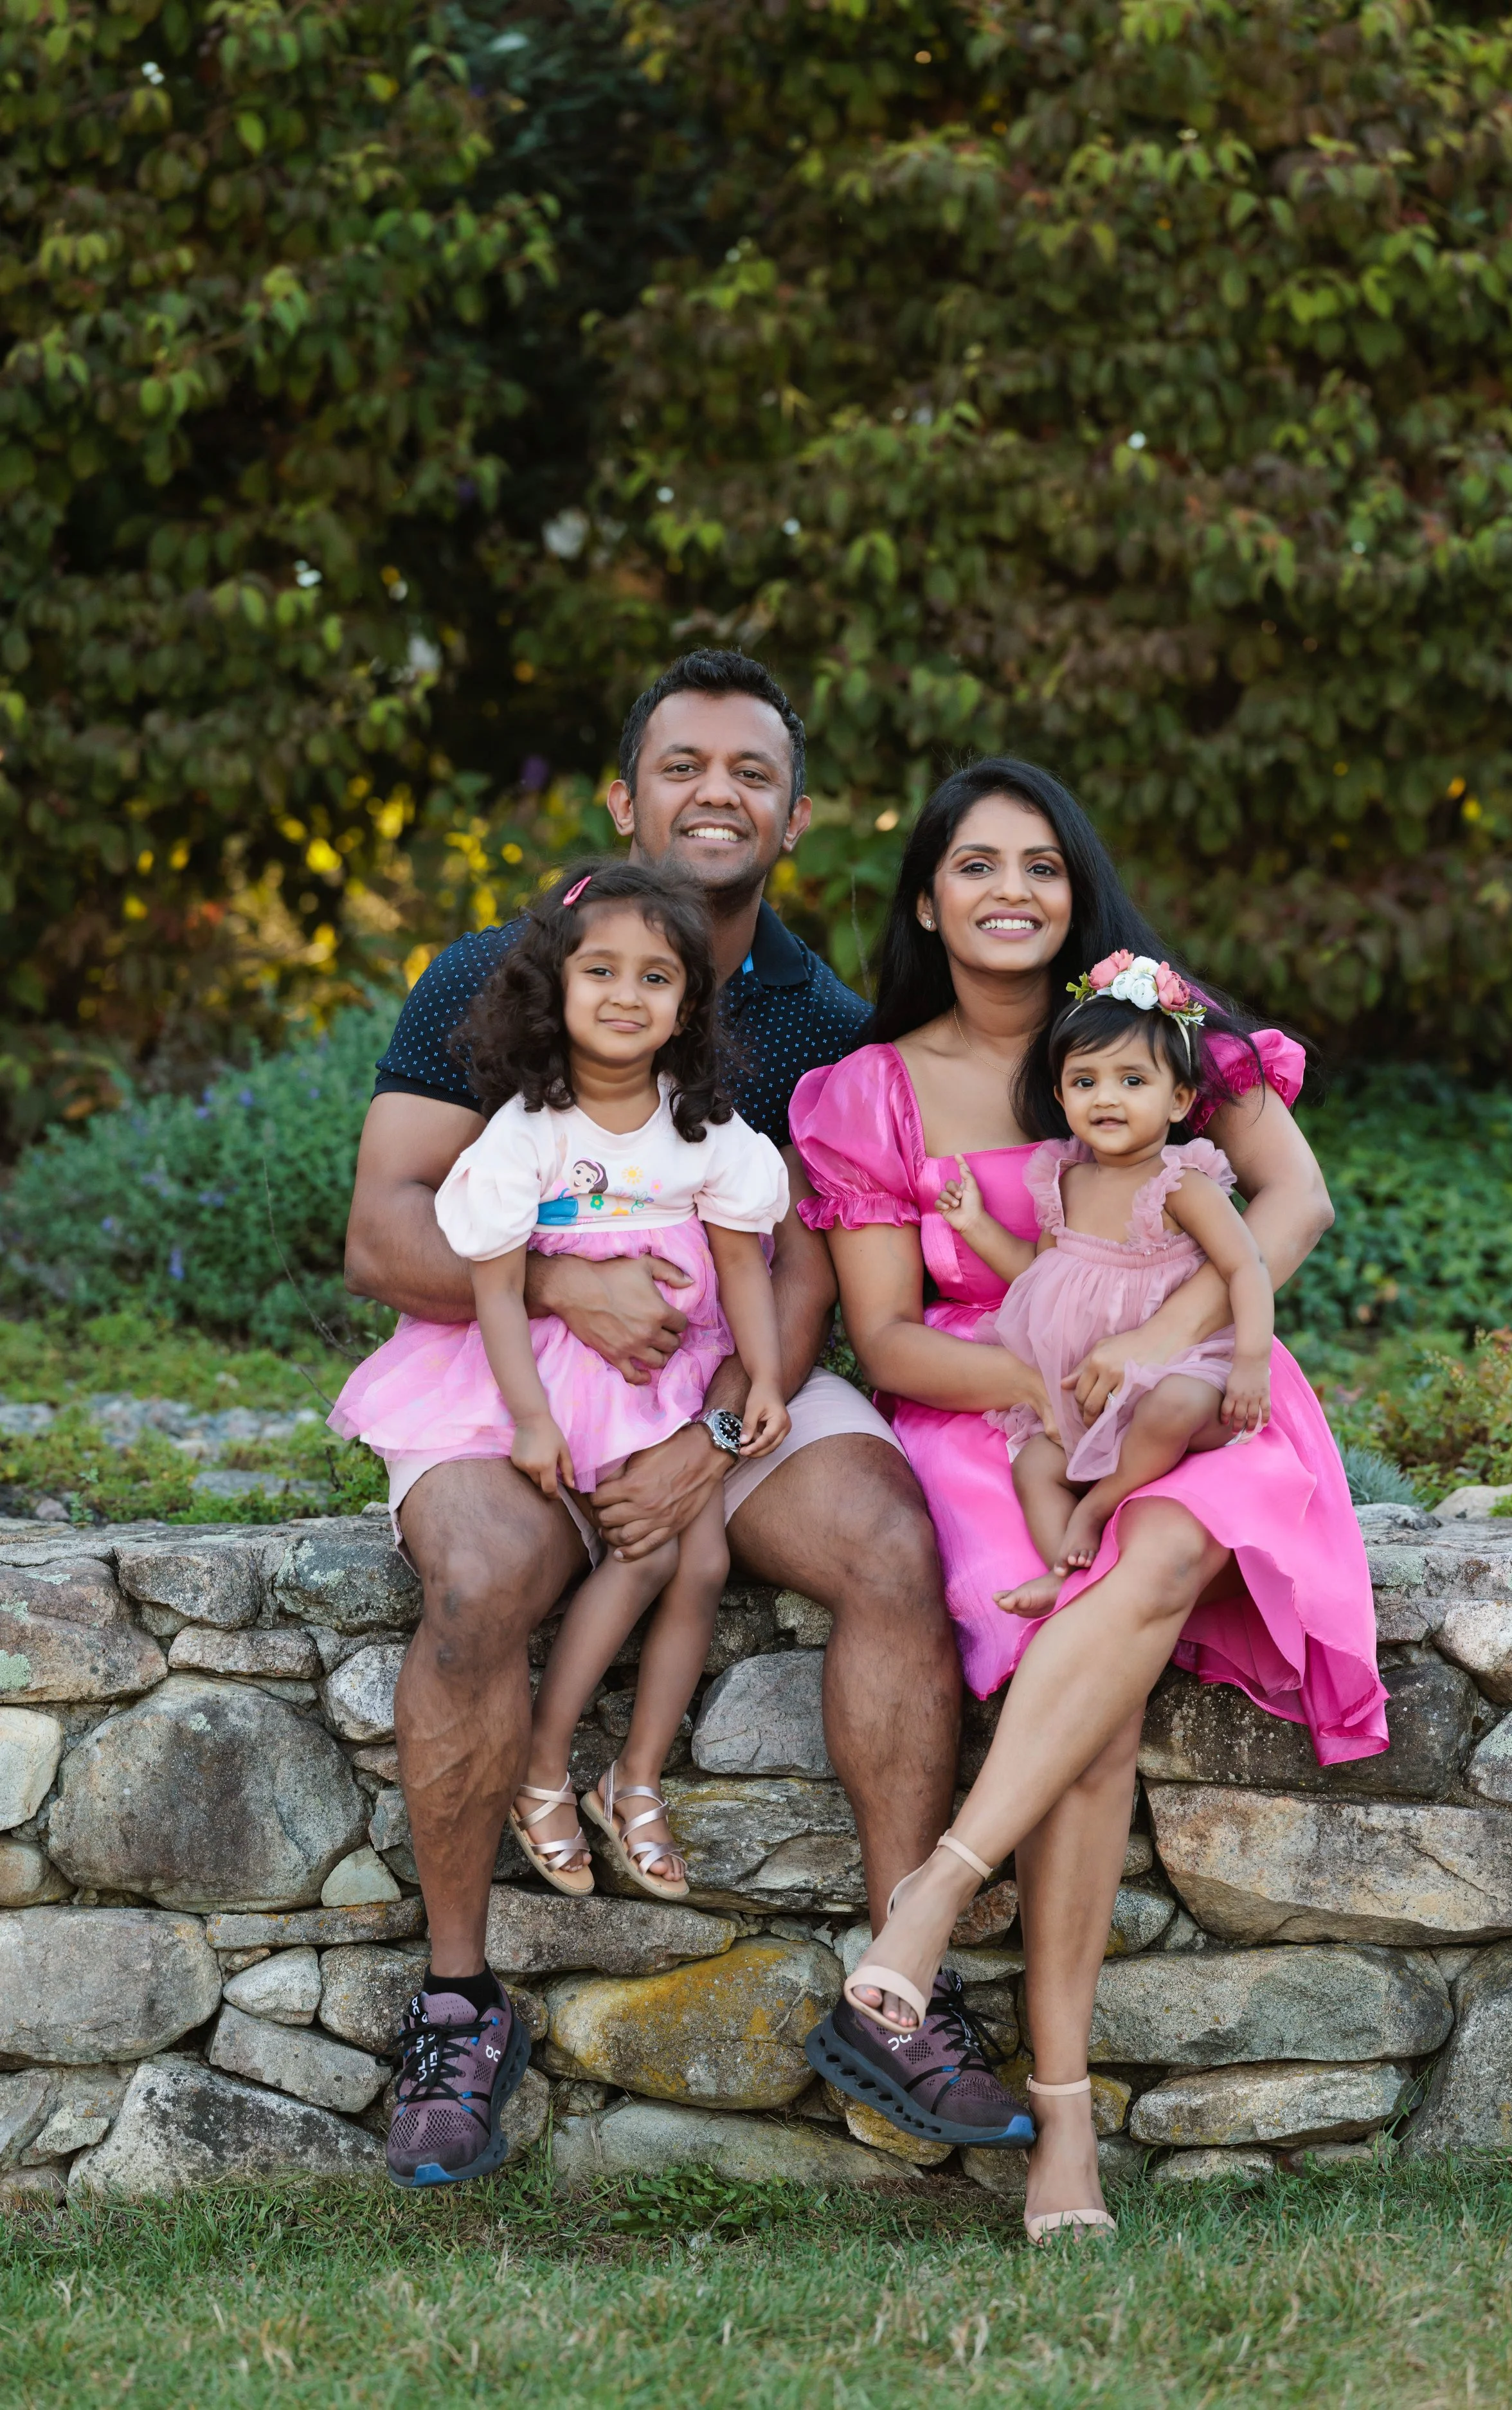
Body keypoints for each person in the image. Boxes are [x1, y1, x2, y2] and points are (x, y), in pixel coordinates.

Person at [342, 652, 1026, 2188]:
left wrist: (708, 1441)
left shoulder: (821, 1019)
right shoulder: (495, 973)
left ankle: (896, 1992)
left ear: (793, 814)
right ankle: (457, 2007)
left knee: (888, 1542)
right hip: (504, 1365)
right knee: (478, 1576)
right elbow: (384, 1231)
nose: (717, 793)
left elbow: (805, 1267)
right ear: (622, 796)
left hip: (718, 1374)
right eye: (683, 765)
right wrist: (568, 1288)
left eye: (751, 772)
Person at [792, 758, 1386, 2243]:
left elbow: (1295, 1202)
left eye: (1041, 864)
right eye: (975, 864)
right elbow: (890, 1339)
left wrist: (1175, 1336)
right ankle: (1063, 2116)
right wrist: (1058, 1392)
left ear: (1077, 888)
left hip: (1193, 1394)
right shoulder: (869, 1091)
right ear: (924, 901)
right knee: (1095, 1703)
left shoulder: (1156, 1029)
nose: (1011, 891)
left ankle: (926, 1903)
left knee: (1167, 1544)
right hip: (995, 1417)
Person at [333, 862, 792, 1946]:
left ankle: (632, 1774)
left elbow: (744, 1266)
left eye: (656, 977)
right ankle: (545, 1765)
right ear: (557, 987)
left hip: (662, 1377)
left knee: (698, 1558)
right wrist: (533, 1419)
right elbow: (496, 1290)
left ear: (689, 1005)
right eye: (601, 972)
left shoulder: (706, 1129)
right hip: (547, 1374)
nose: (627, 994)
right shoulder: (525, 1133)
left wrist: (765, 1379)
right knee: (647, 1551)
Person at [935, 958, 1274, 1611]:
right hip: (1091, 1399)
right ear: (1061, 1097)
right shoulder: (1062, 1179)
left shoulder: (1181, 1184)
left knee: (1172, 1405)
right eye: (1085, 1081)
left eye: (1132, 1080)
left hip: (1180, 1374)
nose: (1106, 1098)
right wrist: (975, 1225)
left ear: (1179, 1100)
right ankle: (1062, 1576)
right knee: (1034, 1465)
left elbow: (1247, 1266)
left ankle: (1097, 1507)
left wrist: (1252, 1361)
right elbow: (1038, 1276)